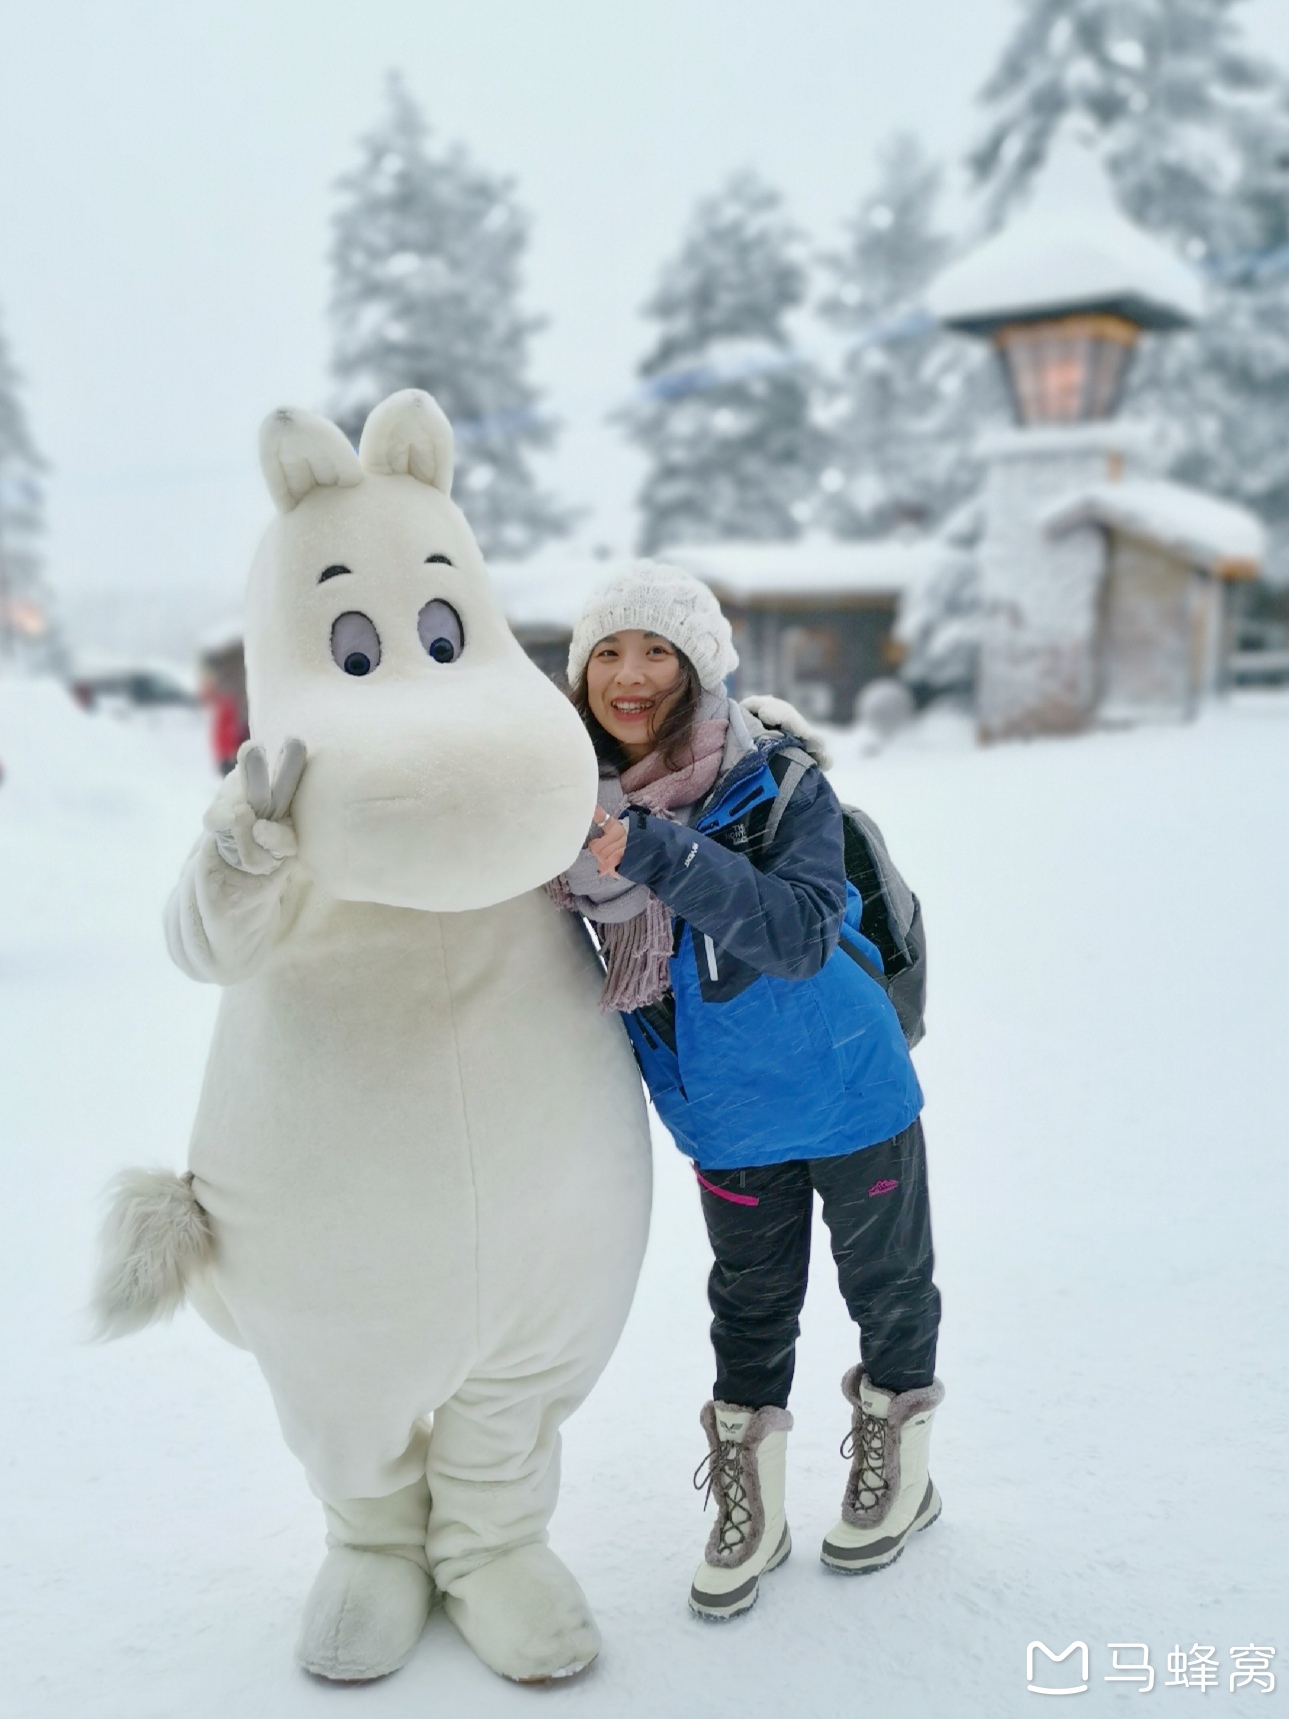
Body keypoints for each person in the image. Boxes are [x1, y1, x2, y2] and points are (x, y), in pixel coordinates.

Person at [549, 560, 944, 1621]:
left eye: (656, 651)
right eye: (608, 652)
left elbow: (802, 934)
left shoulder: (780, 783)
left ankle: (898, 1473)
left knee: (889, 1294)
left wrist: (654, 851)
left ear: (696, 665)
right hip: (723, 1110)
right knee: (750, 1308)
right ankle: (749, 1509)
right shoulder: (553, 806)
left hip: (850, 1089)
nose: (628, 676)